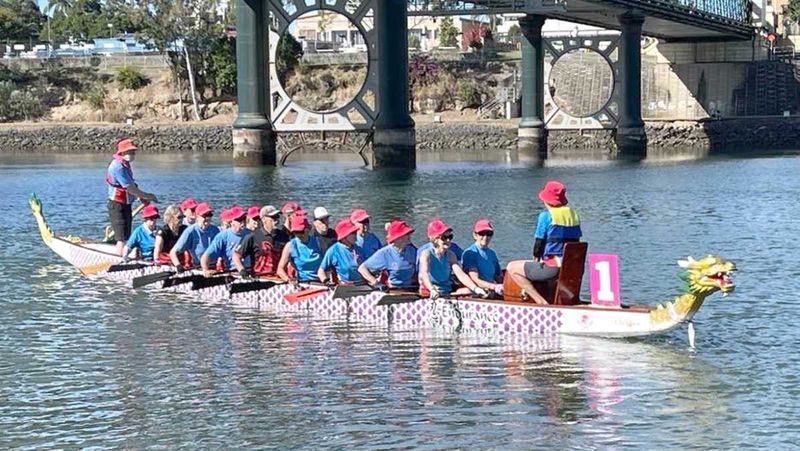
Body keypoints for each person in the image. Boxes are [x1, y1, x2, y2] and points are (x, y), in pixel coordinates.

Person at [506, 180, 582, 304]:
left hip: (552, 268)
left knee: (512, 268)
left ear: (546, 200)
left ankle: (541, 302)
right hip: (571, 268)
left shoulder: (546, 216)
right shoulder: (574, 215)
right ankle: (557, 301)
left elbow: (538, 244)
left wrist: (536, 260)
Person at [106, 138, 158, 255]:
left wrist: (141, 198)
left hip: (126, 203)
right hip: (116, 205)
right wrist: (147, 195)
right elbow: (130, 188)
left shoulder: (125, 165)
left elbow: (132, 185)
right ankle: (119, 259)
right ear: (122, 152)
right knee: (121, 238)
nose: (133, 154)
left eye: (133, 152)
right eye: (130, 152)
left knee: (126, 235)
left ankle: (124, 255)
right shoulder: (117, 167)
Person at [418, 219, 488, 299]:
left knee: (468, 291)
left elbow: (461, 275)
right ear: (435, 239)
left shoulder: (451, 255)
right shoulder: (426, 254)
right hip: (429, 293)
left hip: (445, 291)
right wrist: (432, 289)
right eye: (444, 238)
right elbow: (424, 274)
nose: (448, 240)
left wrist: (475, 288)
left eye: (450, 237)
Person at [233, 205, 291, 277]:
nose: (276, 220)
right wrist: (242, 270)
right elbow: (236, 255)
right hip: (259, 278)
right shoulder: (252, 236)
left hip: (280, 278)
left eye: (277, 217)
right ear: (263, 219)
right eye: (273, 217)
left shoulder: (284, 236)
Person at [358, 220, 416, 289]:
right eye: (406, 234)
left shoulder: (412, 250)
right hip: (391, 289)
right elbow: (362, 268)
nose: (409, 236)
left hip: (410, 287)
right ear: (398, 238)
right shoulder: (385, 253)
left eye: (409, 233)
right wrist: (376, 283)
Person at [201, 205, 251, 277]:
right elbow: (206, 256)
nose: (242, 222)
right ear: (231, 222)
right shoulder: (223, 236)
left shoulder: (251, 234)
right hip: (232, 273)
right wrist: (205, 270)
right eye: (239, 220)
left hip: (250, 271)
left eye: (244, 218)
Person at [170, 202, 220, 270]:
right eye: (205, 215)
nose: (208, 218)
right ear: (197, 216)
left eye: (210, 215)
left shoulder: (215, 230)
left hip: (213, 266)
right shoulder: (190, 231)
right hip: (198, 266)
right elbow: (173, 252)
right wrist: (178, 266)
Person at [461, 219, 504, 296]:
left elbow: (499, 277)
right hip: (477, 292)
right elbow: (475, 279)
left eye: (489, 234)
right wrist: (493, 286)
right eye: (482, 234)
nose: (485, 237)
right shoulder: (470, 253)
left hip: (492, 290)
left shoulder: (492, 253)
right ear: (475, 235)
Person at [277, 214, 322, 282]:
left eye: (301, 232)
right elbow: (280, 270)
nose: (298, 235)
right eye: (295, 232)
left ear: (308, 229)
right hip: (301, 281)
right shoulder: (290, 245)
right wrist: (289, 280)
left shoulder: (318, 242)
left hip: (321, 281)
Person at [317, 218, 363, 284]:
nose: (356, 235)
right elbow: (320, 271)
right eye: (353, 233)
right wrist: (326, 281)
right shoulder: (334, 250)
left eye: (355, 232)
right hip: (346, 286)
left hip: (363, 284)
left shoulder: (358, 247)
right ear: (344, 237)